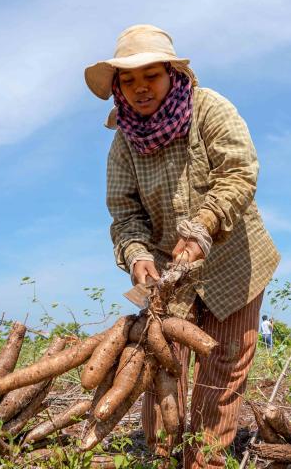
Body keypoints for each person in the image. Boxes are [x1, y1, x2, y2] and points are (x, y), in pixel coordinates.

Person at [84, 24, 280, 469]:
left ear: (173, 73)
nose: (140, 89)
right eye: (128, 81)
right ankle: (163, 455)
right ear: (118, 88)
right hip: (167, 274)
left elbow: (239, 173)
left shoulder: (209, 108)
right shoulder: (124, 143)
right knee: (160, 363)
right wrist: (137, 257)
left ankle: (205, 460)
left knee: (224, 365)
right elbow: (125, 213)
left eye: (149, 76)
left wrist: (203, 228)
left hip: (235, 261)